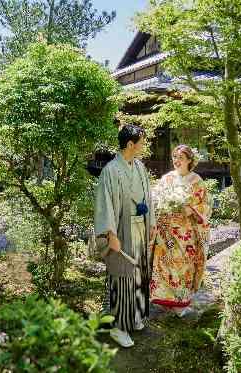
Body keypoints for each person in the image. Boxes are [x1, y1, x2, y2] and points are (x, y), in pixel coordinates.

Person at [94, 124, 156, 348]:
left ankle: (136, 316)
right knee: (122, 277)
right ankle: (119, 327)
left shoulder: (139, 166)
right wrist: (110, 234)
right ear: (130, 144)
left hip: (140, 227)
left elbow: (148, 197)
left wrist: (152, 223)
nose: (143, 145)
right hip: (121, 230)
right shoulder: (110, 170)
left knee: (139, 274)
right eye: (141, 141)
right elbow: (105, 205)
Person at [150, 145, 212, 317]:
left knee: (183, 266)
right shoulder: (167, 179)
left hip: (186, 233)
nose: (176, 161)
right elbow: (155, 199)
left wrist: (192, 209)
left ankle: (180, 303)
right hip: (167, 232)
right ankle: (164, 299)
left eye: (181, 158)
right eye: (174, 157)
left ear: (190, 161)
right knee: (164, 263)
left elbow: (205, 206)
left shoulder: (197, 181)